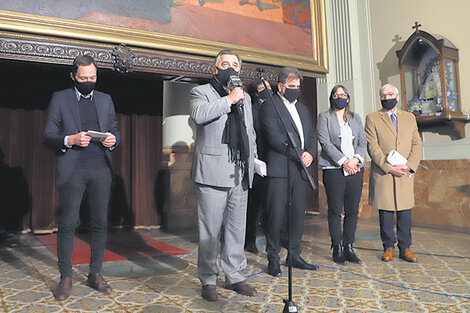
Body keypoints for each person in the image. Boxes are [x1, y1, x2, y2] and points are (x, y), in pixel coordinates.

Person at [43, 55, 120, 301]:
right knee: (67, 224)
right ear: (73, 76)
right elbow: (48, 136)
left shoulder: (106, 99)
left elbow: (115, 130)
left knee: (99, 223)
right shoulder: (60, 98)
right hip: (73, 169)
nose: (89, 81)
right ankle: (65, 277)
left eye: (93, 78)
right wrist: (71, 139)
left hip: (101, 169)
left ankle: (94, 273)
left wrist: (113, 139)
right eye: (84, 78)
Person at [190, 49, 257, 301]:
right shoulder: (201, 92)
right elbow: (199, 115)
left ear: (240, 70)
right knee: (209, 232)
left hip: (239, 172)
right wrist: (228, 100)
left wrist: (253, 160)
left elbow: (249, 132)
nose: (231, 67)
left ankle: (235, 276)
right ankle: (208, 280)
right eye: (225, 64)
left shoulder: (246, 98)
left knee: (236, 230)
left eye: (235, 64)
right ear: (215, 69)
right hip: (211, 173)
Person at [260, 67, 318, 277]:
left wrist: (310, 153)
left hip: (300, 170)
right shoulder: (270, 106)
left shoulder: (303, 109)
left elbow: (311, 135)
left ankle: (294, 254)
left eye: (298, 87)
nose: (295, 90)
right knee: (275, 215)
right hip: (279, 169)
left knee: (297, 216)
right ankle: (273, 258)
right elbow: (273, 136)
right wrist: (298, 154)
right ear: (281, 86)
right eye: (292, 87)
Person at [365, 84, 422, 263]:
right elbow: (372, 147)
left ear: (397, 97)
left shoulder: (410, 117)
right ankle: (388, 247)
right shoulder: (373, 118)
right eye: (383, 95)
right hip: (385, 173)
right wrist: (388, 167)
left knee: (405, 211)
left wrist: (410, 165)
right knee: (386, 211)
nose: (386, 97)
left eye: (390, 94)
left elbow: (417, 143)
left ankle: (405, 248)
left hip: (405, 172)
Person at [317, 85, 367, 264]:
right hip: (334, 169)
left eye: (343, 94)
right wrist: (344, 161)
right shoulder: (325, 117)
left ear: (348, 98)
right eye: (336, 95)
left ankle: (349, 247)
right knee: (335, 210)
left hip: (355, 169)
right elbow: (325, 142)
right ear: (331, 98)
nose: (340, 97)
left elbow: (362, 141)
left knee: (352, 210)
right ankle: (336, 247)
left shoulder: (355, 118)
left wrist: (355, 160)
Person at [244, 79, 272, 254]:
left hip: (272, 161)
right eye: (263, 89)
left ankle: (273, 239)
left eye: (269, 88)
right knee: (253, 205)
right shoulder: (252, 109)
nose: (267, 91)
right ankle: (249, 240)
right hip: (256, 162)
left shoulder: (274, 107)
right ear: (256, 93)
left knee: (270, 203)